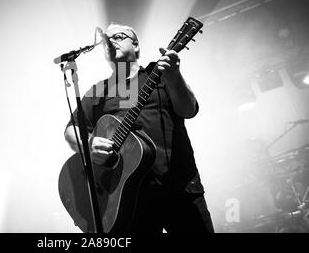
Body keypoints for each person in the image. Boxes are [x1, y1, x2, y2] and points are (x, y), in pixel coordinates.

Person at [64, 23, 214, 233]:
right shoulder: (99, 91)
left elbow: (189, 110)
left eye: (117, 36)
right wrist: (89, 145)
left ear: (135, 44)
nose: (110, 42)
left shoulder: (159, 74)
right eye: (106, 40)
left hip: (178, 185)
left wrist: (174, 76)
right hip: (127, 198)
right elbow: (71, 130)